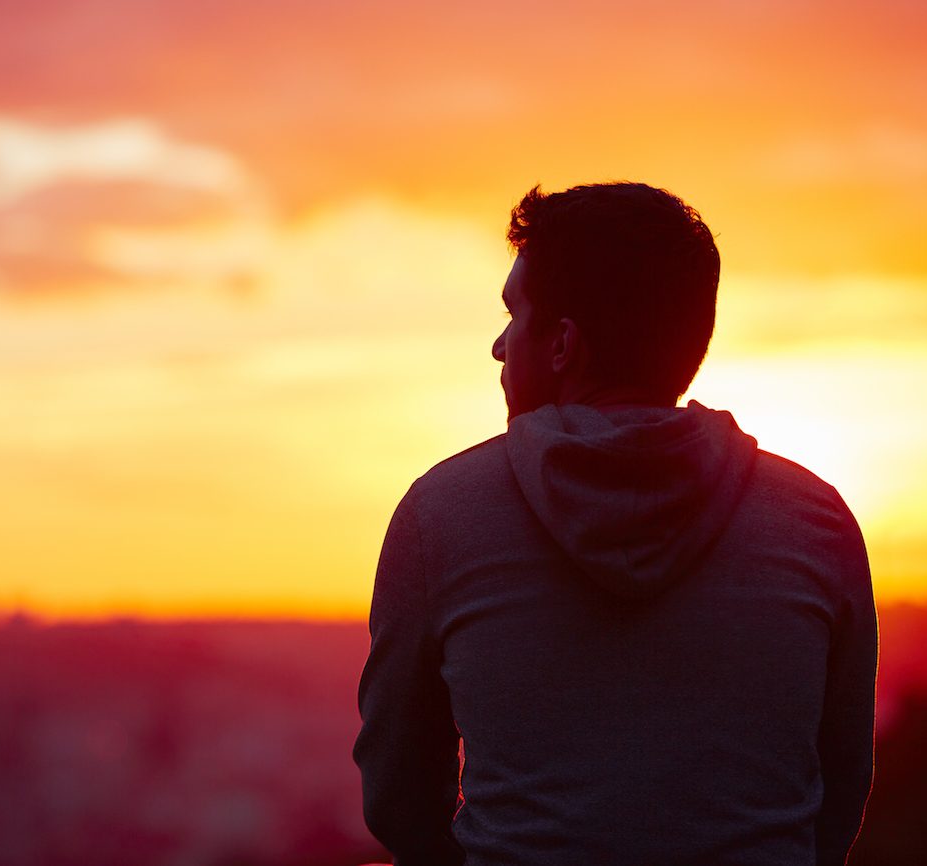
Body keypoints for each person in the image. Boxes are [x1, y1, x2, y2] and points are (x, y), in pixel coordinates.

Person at [353, 182, 877, 866]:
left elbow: (398, 799)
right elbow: (836, 793)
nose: (498, 346)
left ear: (564, 344)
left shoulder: (442, 513)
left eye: (514, 316)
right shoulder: (816, 520)